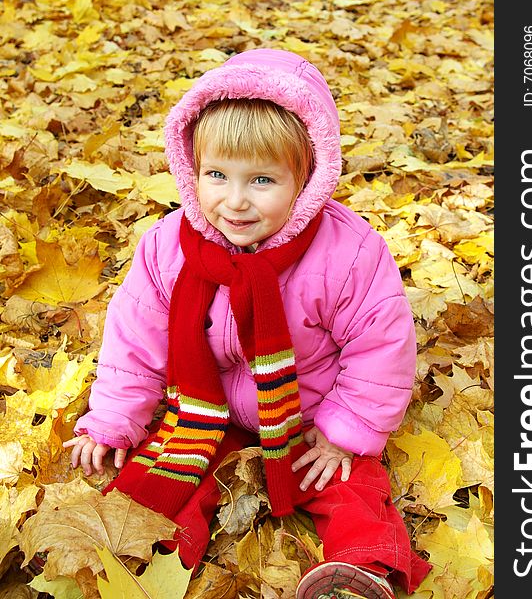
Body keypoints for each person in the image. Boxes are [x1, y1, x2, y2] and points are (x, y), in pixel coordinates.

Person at [63, 48, 432, 598]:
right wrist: (115, 416)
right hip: (208, 406)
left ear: (308, 175)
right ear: (191, 169)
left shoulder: (345, 253)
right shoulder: (169, 247)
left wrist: (341, 431)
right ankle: (150, 558)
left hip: (306, 414)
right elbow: (134, 340)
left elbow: (380, 347)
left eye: (262, 180)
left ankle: (359, 571)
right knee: (177, 474)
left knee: (349, 486)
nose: (234, 202)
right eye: (216, 174)